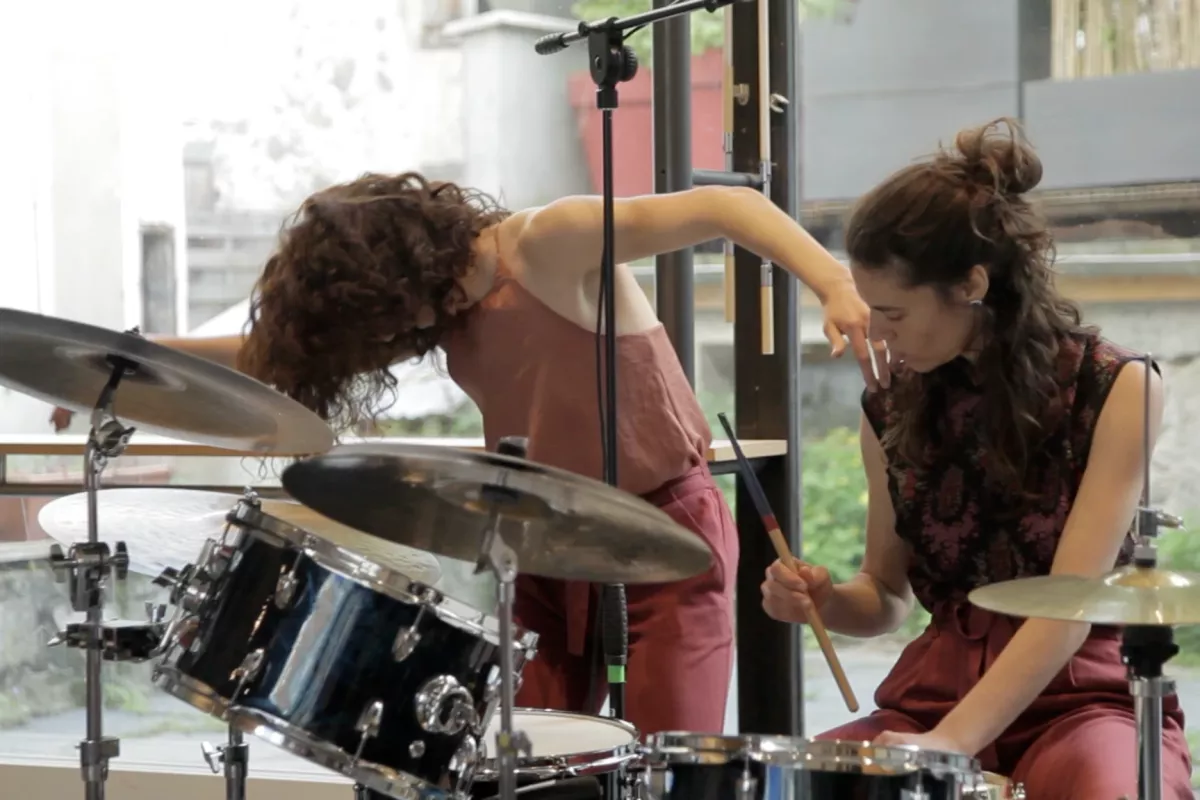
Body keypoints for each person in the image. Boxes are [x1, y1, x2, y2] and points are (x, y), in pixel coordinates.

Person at [52, 176, 883, 737]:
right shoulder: (438, 309)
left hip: (662, 534)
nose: (387, 344)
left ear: (401, 279)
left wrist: (834, 282)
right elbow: (274, 354)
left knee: (662, 763)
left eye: (382, 325)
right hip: (542, 544)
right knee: (520, 758)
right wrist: (127, 359)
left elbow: (726, 205)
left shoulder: (546, 242)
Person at [760, 117, 1193, 798]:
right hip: (934, 694)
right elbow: (887, 596)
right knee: (799, 785)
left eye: (893, 314)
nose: (877, 333)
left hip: (1081, 696)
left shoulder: (1115, 386)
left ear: (971, 285)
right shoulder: (890, 403)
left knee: (1111, 788)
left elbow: (1070, 603)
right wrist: (826, 601)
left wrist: (952, 744)